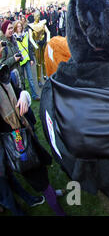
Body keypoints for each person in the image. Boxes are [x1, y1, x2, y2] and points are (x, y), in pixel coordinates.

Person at [0, 61, 65, 216]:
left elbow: (20, 91)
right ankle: (58, 209)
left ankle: (51, 193)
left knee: (40, 165)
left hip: (25, 131)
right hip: (16, 140)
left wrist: (23, 96)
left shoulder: (3, 77)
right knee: (36, 175)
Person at [13, 21, 40, 101]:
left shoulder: (26, 35)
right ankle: (24, 98)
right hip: (19, 61)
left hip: (27, 59)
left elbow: (29, 47)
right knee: (22, 81)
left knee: (30, 79)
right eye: (18, 26)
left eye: (20, 26)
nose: (19, 28)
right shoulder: (13, 38)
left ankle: (34, 95)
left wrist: (31, 58)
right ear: (15, 27)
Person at [28, 11, 50, 87]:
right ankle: (39, 79)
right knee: (38, 63)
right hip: (37, 44)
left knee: (44, 61)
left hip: (43, 43)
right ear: (34, 17)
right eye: (36, 16)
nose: (38, 17)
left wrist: (48, 40)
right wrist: (35, 45)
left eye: (39, 15)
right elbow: (30, 38)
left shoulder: (42, 23)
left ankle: (45, 75)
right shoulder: (31, 26)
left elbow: (48, 32)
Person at [0, 20, 24, 89]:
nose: (11, 30)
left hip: (19, 76)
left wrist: (20, 56)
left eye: (12, 28)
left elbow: (17, 52)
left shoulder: (13, 40)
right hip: (11, 81)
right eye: (9, 29)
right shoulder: (2, 45)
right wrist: (13, 59)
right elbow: (2, 65)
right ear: (4, 30)